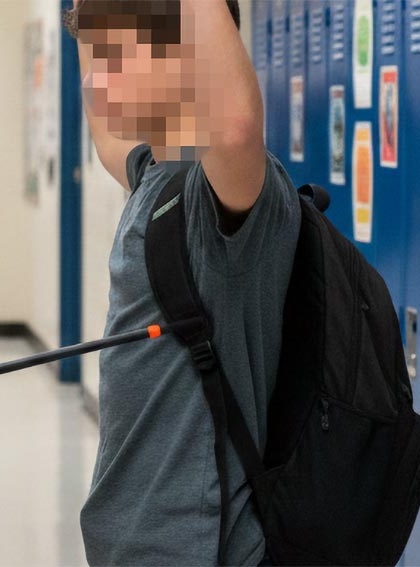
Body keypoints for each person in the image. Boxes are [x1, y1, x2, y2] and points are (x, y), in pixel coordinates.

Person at [64, 1, 301, 565]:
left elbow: (237, 126)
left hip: (202, 547)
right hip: (135, 539)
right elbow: (103, 134)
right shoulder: (155, 173)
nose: (100, 72)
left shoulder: (224, 191)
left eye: (120, 50)